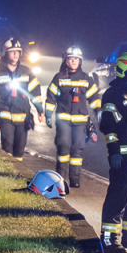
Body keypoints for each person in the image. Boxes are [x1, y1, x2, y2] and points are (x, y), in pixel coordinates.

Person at [97, 51, 127, 253]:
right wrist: (114, 153)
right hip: (122, 157)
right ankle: (109, 240)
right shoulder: (113, 94)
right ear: (125, 70)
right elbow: (108, 127)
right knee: (118, 196)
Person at [45, 46, 101, 189]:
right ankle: (60, 179)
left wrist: (99, 111)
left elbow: (94, 97)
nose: (73, 61)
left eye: (76, 59)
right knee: (63, 146)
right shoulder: (59, 78)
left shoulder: (86, 79)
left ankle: (74, 180)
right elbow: (51, 97)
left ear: (80, 60)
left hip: (80, 121)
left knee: (77, 150)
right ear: (66, 61)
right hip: (63, 119)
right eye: (70, 58)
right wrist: (48, 114)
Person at [0, 39, 44, 159]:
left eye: (17, 52)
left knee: (20, 148)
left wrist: (40, 110)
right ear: (5, 53)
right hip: (5, 114)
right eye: (12, 52)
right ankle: (7, 172)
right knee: (7, 146)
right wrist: (2, 91)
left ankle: (16, 174)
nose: (15, 54)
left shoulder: (26, 72)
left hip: (23, 115)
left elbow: (35, 93)